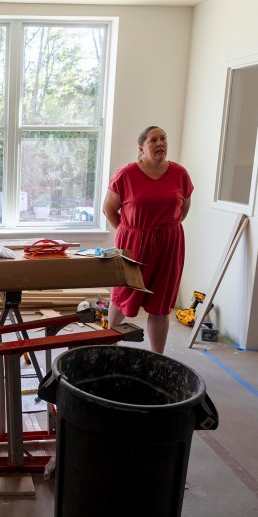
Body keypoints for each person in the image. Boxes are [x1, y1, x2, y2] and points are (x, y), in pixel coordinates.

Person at [102, 126, 193, 354]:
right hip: (133, 246)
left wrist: (163, 230)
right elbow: (109, 210)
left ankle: (158, 356)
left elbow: (183, 210)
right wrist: (131, 232)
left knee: (161, 304)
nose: (160, 143)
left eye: (163, 138)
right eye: (154, 140)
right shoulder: (126, 174)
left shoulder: (179, 174)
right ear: (141, 148)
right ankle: (108, 348)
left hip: (169, 246)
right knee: (122, 296)